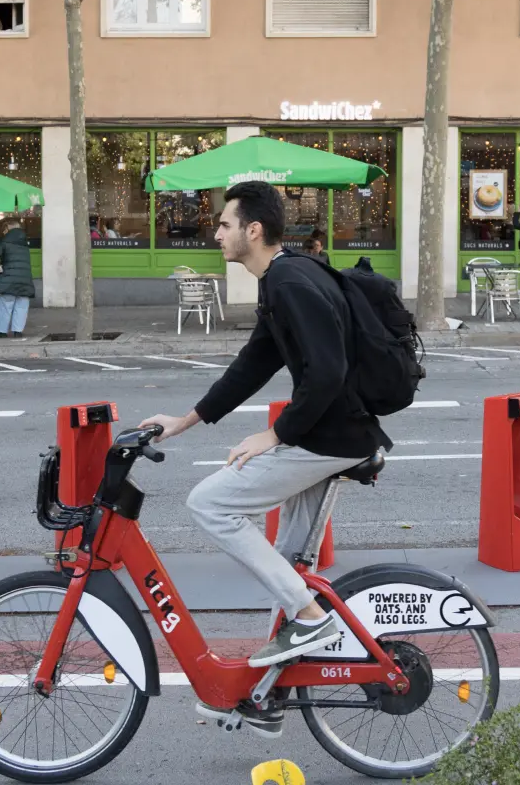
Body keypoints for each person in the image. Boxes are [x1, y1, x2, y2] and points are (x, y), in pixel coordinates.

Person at [140, 180, 391, 735]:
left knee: (210, 504)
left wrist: (274, 436)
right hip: (330, 435)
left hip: (329, 440)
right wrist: (185, 421)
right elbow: (254, 364)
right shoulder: (284, 278)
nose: (217, 232)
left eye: (225, 224)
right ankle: (269, 695)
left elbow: (327, 373)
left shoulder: (291, 283)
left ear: (253, 231)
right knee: (285, 565)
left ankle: (307, 617)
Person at [0, 223, 34, 339]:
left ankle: (1, 332)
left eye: (4, 230)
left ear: (7, 230)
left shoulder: (5, 242)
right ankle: (18, 331)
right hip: (25, 278)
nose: (3, 233)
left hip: (9, 279)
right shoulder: (24, 244)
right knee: (22, 304)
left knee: (6, 304)